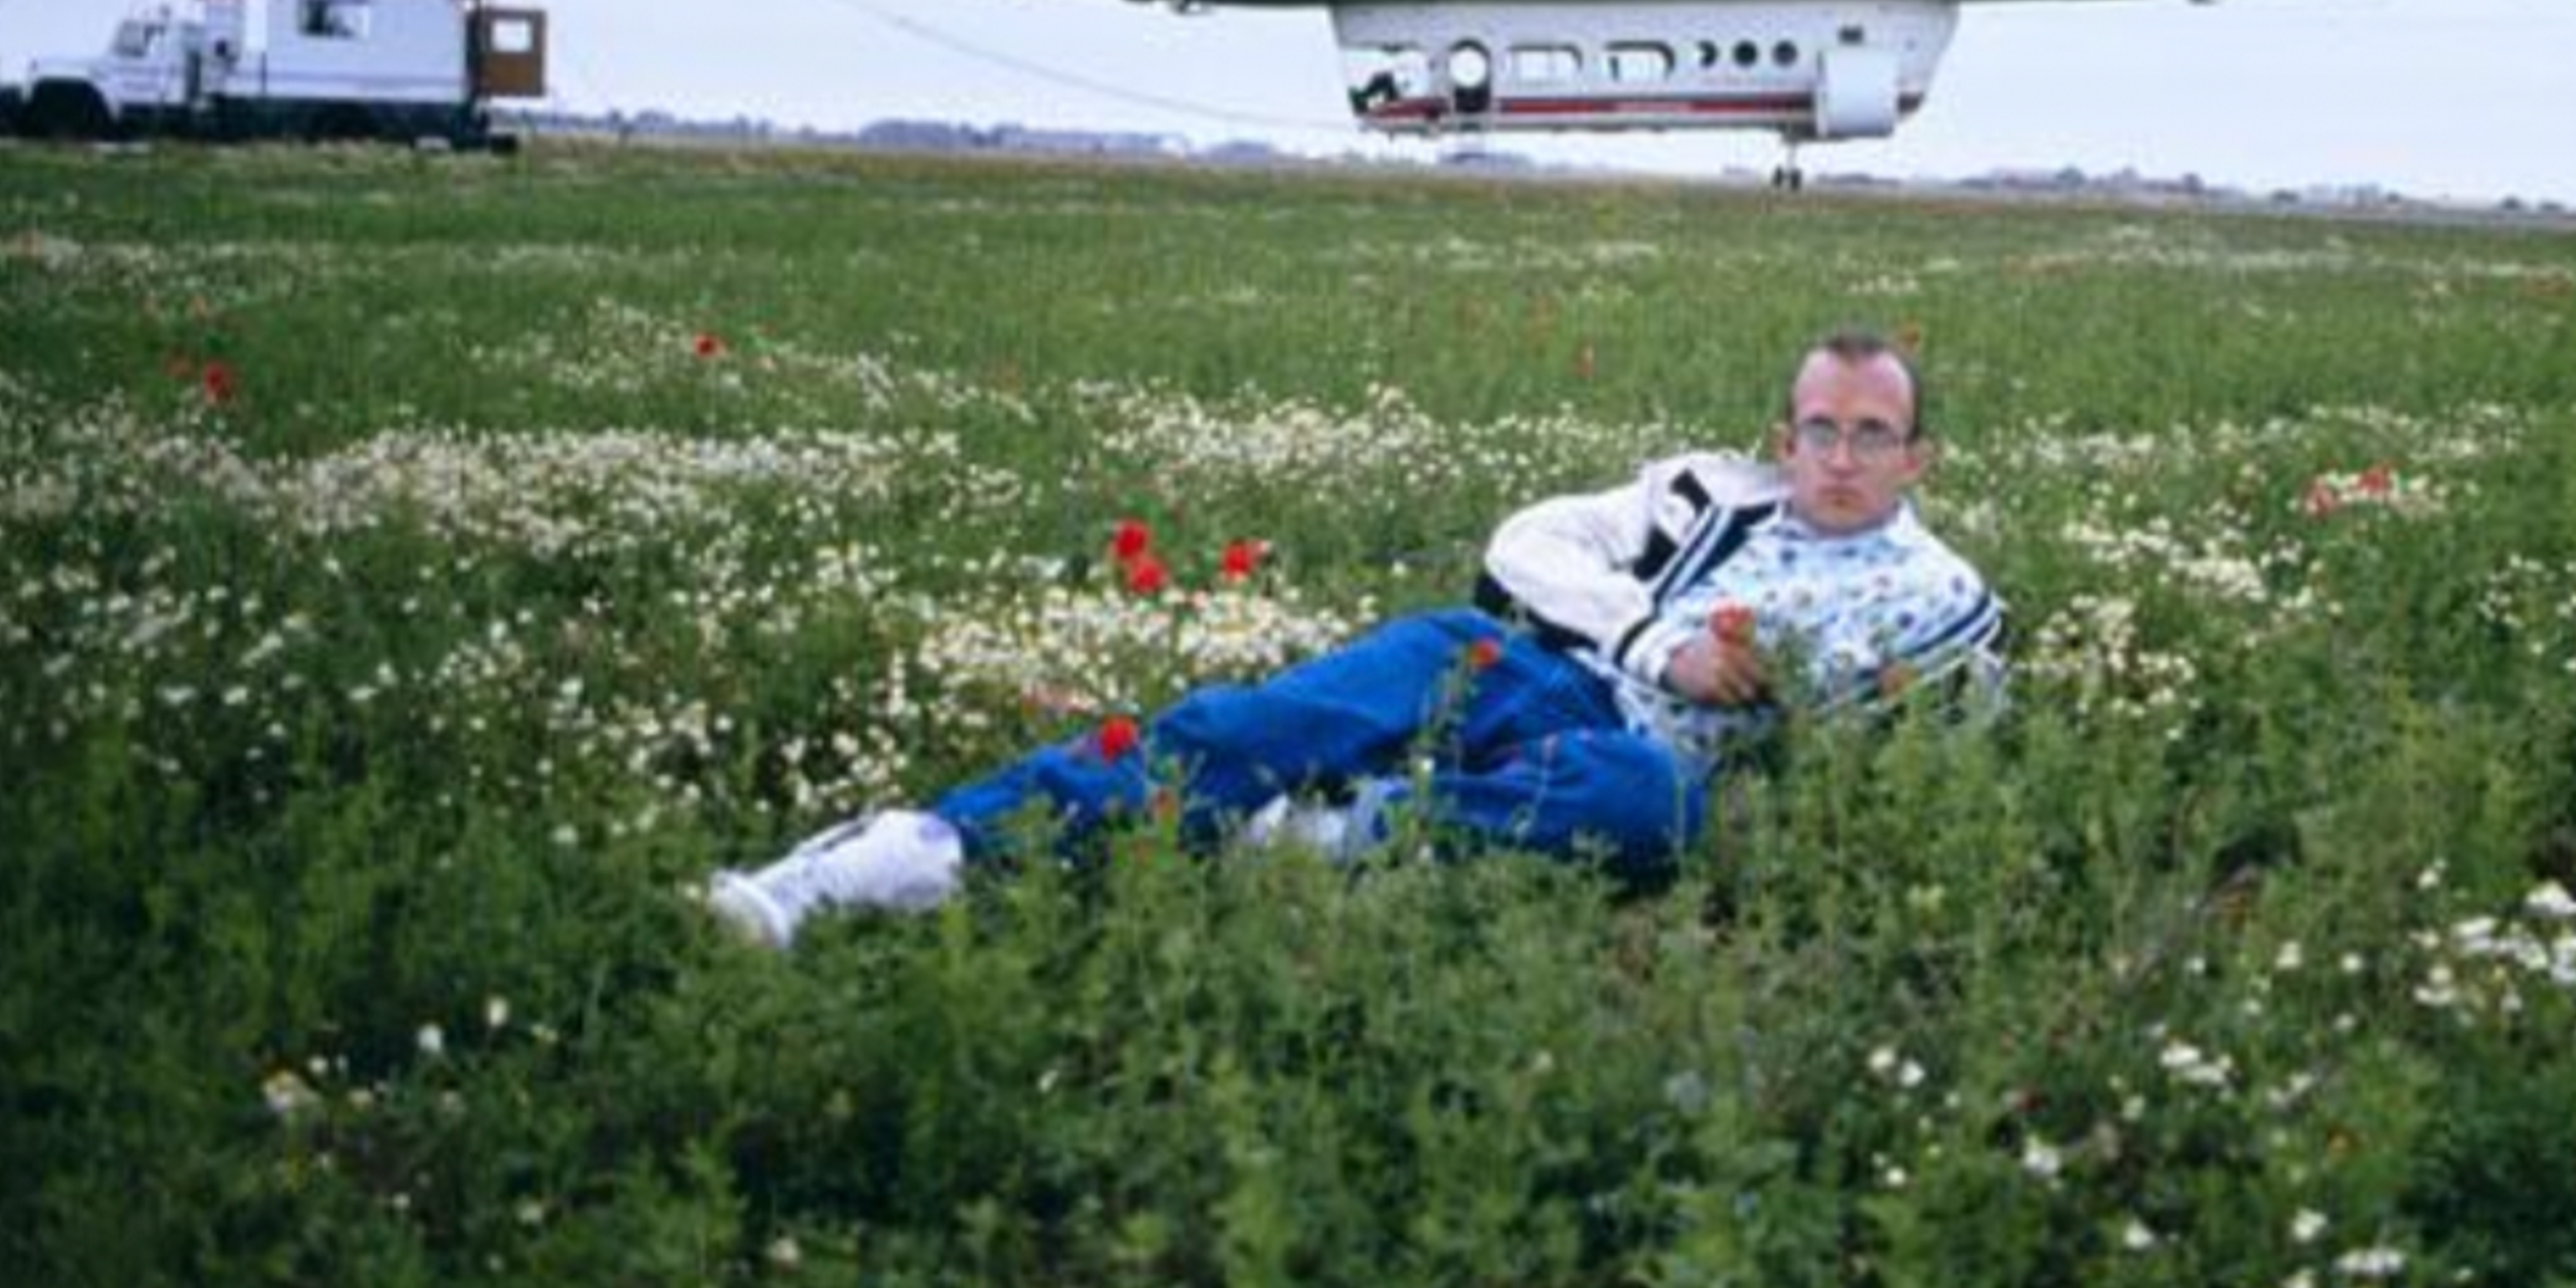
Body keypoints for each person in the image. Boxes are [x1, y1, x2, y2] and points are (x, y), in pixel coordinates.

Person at [707, 330, 1999, 944]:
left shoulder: (1940, 599)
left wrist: (1799, 724)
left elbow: (1935, 757)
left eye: (1870, 434)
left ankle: (1336, 834)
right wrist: (1659, 640)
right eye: (1819, 429)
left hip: (1653, 769)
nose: (1839, 457)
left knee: (1653, 791)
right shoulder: (1712, 491)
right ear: (1785, 437)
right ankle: (910, 851)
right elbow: (1525, 543)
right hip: (1558, 679)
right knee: (1261, 720)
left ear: (1915, 455)